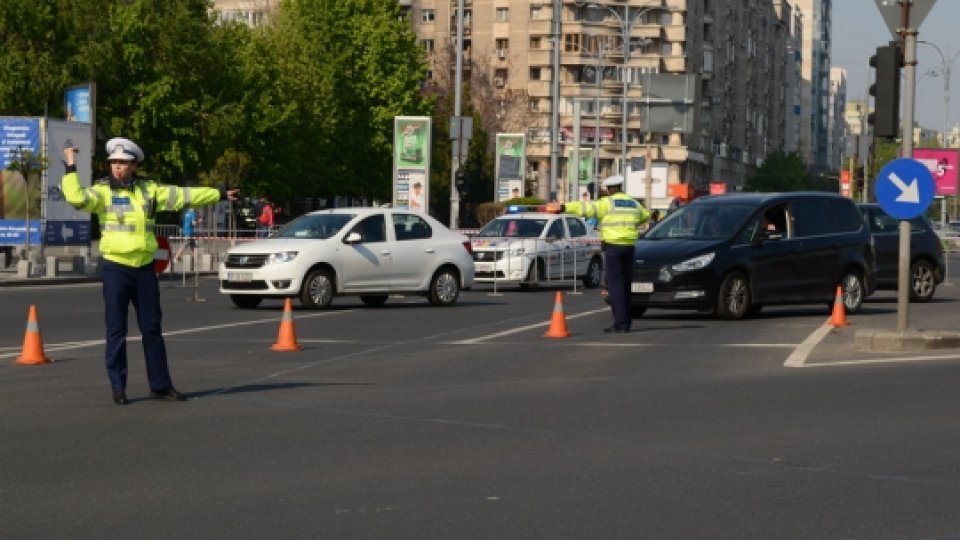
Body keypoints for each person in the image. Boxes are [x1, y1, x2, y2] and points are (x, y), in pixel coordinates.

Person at [62, 137, 238, 405]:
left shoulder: (149, 191)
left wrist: (220, 194)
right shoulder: (102, 192)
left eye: (123, 163)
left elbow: (184, 195)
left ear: (134, 165)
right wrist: (71, 166)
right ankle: (118, 387)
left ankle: (160, 385)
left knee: (152, 329)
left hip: (144, 268)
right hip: (116, 268)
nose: (118, 167)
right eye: (114, 163)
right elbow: (75, 198)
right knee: (116, 330)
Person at [551, 175, 649, 333]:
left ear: (610, 189)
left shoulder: (607, 203)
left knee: (615, 285)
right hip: (629, 246)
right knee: (625, 284)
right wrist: (630, 225)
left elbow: (585, 208)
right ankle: (626, 321)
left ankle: (620, 323)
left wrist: (563, 207)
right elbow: (645, 215)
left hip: (614, 246)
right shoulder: (633, 203)